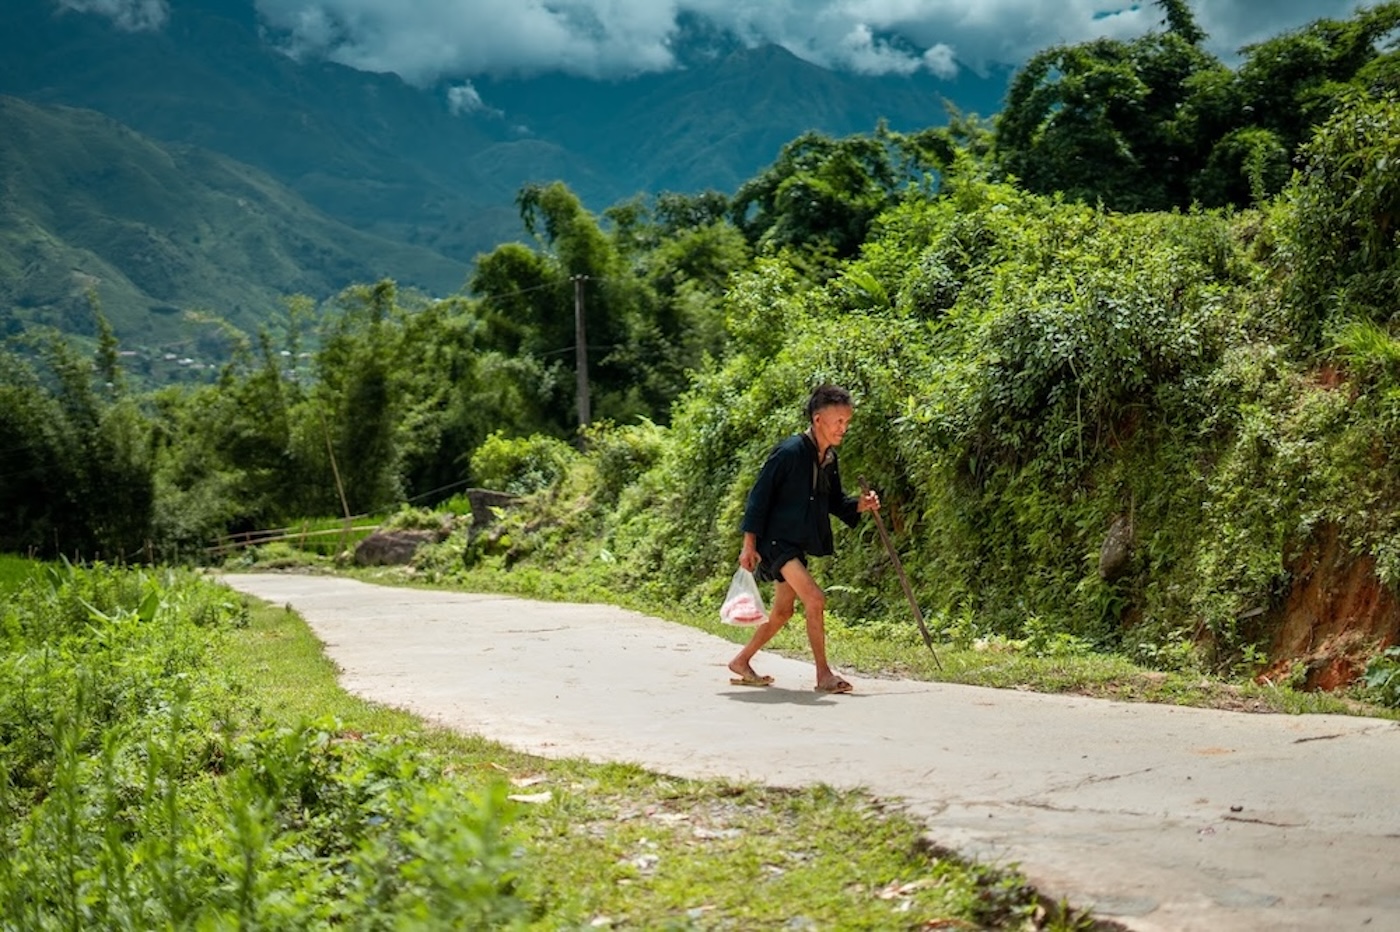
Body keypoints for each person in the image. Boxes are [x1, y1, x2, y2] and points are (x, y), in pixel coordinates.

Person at [729, 384, 880, 693]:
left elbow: (836, 502)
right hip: (775, 541)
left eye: (846, 422)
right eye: (838, 421)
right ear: (817, 419)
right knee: (814, 597)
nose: (843, 428)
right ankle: (823, 675)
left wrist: (860, 505)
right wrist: (749, 544)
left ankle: (741, 661)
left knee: (783, 611)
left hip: (794, 544)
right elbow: (758, 497)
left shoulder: (829, 459)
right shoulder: (789, 452)